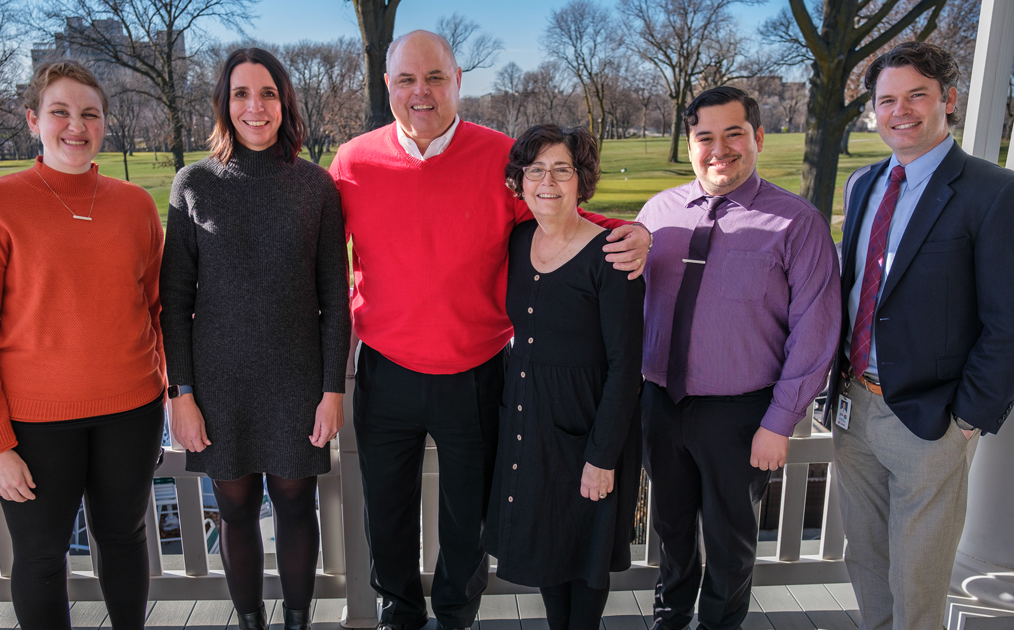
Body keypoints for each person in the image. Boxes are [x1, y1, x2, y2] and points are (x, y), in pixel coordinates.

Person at [328, 30, 651, 630]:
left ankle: (455, 615)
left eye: (435, 78)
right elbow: (324, 266)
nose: (420, 92)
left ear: (458, 81)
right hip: (385, 368)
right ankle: (398, 610)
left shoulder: (500, 156)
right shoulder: (352, 161)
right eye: (406, 79)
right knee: (387, 509)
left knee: (466, 516)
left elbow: (558, 211)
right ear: (387, 85)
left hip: (475, 370)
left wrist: (633, 231)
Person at [824, 42, 1014, 630]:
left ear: (948, 100)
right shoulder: (863, 184)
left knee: (917, 578)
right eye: (886, 100)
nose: (900, 111)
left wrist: (969, 417)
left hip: (930, 420)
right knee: (866, 561)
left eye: (916, 95)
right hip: (853, 405)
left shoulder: (997, 192)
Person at [0, 60, 165, 630]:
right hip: (33, 426)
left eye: (90, 114)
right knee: (42, 558)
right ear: (32, 121)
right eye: (60, 112)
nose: (76, 126)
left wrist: (170, 392)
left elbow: (158, 309)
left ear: (105, 125)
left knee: (124, 537)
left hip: (132, 412)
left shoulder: (135, 206)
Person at [634, 86, 840, 630]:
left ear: (758, 138)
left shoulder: (797, 223)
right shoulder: (658, 211)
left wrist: (780, 422)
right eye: (705, 137)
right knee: (672, 533)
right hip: (659, 403)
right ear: (690, 141)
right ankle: (669, 619)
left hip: (741, 416)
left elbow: (815, 333)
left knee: (730, 543)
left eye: (734, 134)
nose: (719, 149)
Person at [159, 48, 350, 630]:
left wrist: (331, 389)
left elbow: (335, 299)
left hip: (296, 382)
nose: (255, 106)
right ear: (225, 104)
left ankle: (296, 621)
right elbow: (175, 302)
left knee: (296, 505)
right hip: (219, 388)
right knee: (236, 511)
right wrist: (181, 394)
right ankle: (249, 620)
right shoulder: (194, 183)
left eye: (266, 93)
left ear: (284, 101)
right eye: (241, 94)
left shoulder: (316, 186)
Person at [484, 124, 644, 630]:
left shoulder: (611, 257)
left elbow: (625, 367)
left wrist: (602, 456)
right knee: (550, 555)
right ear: (520, 180)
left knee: (585, 565)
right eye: (535, 170)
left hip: (588, 431)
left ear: (582, 179)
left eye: (561, 169)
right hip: (532, 428)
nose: (547, 181)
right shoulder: (519, 239)